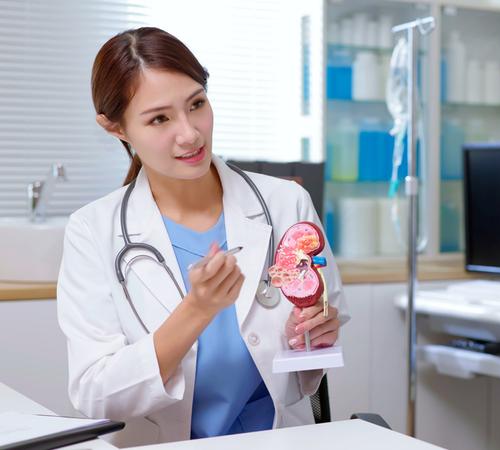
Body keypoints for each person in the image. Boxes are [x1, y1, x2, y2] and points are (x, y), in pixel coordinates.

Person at [57, 27, 347, 446]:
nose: (190, 133)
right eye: (160, 118)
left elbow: (320, 334)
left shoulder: (287, 204)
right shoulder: (93, 231)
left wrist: (317, 332)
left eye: (197, 104)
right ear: (116, 127)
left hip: (279, 439)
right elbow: (95, 393)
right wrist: (197, 310)